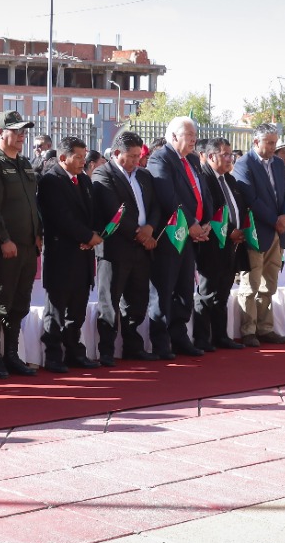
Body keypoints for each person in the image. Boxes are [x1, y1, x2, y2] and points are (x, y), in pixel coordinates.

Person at [0, 111, 42, 377]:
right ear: (1, 133)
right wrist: (4, 239)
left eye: (24, 131)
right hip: (4, 248)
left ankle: (12, 355)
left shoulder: (24, 164)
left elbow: (32, 204)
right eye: (15, 131)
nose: (21, 135)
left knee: (19, 305)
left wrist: (39, 233)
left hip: (27, 246)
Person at [147, 117, 212, 358]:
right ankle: (161, 342)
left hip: (192, 236)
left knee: (185, 289)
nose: (194, 139)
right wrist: (191, 223)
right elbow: (168, 197)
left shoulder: (193, 159)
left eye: (195, 134)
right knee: (164, 290)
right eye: (189, 134)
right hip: (171, 236)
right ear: (174, 137)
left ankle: (180, 336)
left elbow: (202, 191)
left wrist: (205, 222)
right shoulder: (160, 158)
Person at [91, 132, 158, 364]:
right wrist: (140, 235)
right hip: (115, 248)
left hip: (142, 248)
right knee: (109, 301)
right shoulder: (102, 174)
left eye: (139, 156)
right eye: (132, 156)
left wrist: (150, 228)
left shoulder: (144, 176)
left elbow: (155, 206)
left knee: (137, 300)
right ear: (117, 153)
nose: (137, 161)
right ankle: (107, 350)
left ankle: (133, 346)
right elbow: (113, 210)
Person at [37, 137, 100, 372]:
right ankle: (53, 355)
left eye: (85, 157)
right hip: (61, 254)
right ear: (63, 158)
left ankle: (75, 351)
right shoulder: (51, 181)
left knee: (78, 308)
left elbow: (91, 212)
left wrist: (93, 234)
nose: (84, 162)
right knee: (56, 309)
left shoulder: (83, 179)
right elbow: (61, 217)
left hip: (83, 254)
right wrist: (86, 236)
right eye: (79, 157)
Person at [231, 124, 285, 346]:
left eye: (275, 142)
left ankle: (265, 328)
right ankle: (249, 330)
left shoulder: (278, 163)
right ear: (256, 142)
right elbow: (250, 198)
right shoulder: (244, 164)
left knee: (270, 283)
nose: (274, 147)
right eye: (270, 143)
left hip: (277, 230)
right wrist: (274, 220)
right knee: (251, 283)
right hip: (257, 231)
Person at [193, 137, 247, 350]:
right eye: (225, 154)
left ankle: (220, 336)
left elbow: (237, 207)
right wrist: (229, 231)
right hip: (210, 244)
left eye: (231, 154)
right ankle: (201, 338)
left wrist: (240, 229)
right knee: (206, 293)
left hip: (231, 245)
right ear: (211, 156)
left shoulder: (230, 180)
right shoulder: (204, 179)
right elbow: (207, 213)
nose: (229, 158)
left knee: (223, 293)